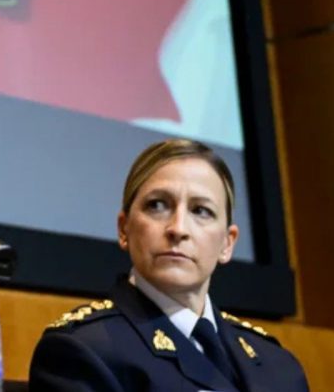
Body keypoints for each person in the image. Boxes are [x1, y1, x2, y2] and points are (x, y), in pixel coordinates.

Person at [28, 139, 309, 391]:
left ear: (227, 243)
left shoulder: (279, 365)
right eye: (157, 205)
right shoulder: (82, 350)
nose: (177, 228)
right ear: (124, 229)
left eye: (201, 211)